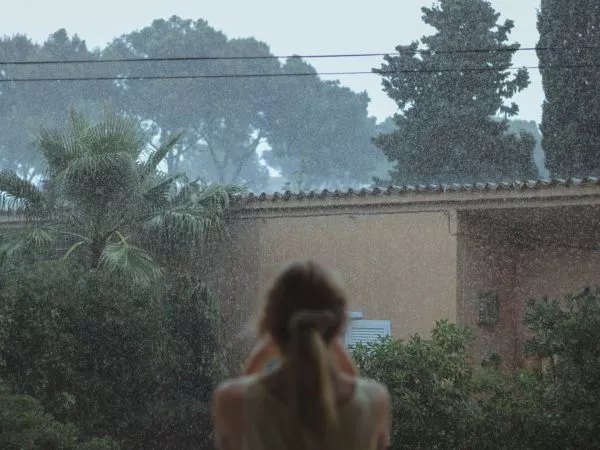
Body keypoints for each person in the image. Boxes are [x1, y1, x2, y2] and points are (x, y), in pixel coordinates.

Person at [212, 260, 391, 450]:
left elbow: (246, 391)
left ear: (269, 325)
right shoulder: (375, 401)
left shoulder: (232, 400)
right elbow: (356, 389)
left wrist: (265, 347)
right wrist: (332, 343)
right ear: (337, 327)